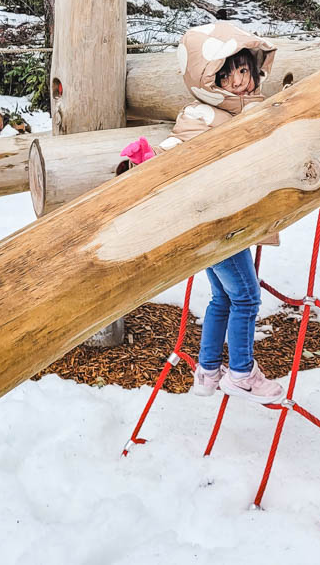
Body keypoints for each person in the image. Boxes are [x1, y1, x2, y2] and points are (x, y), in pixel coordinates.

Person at [118, 21, 285, 405]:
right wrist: (146, 160)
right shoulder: (203, 115)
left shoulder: (250, 110)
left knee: (222, 299)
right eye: (226, 77)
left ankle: (208, 371)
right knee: (246, 297)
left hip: (228, 218)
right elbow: (178, 147)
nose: (240, 82)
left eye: (243, 70)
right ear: (209, 83)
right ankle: (242, 372)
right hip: (219, 221)